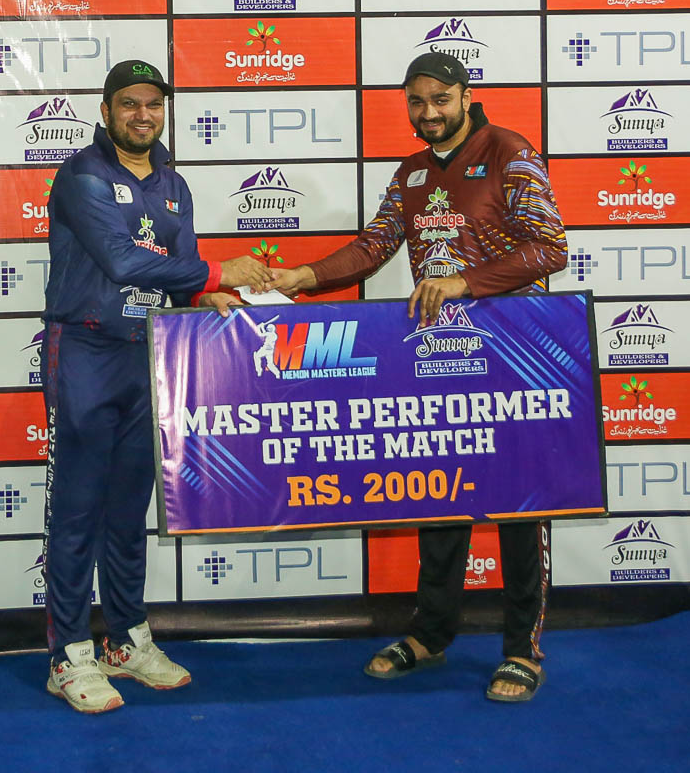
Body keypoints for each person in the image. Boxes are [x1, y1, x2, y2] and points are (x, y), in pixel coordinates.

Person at [268, 52, 567, 704]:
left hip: (515, 354)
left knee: (522, 504)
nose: (428, 112)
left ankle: (522, 649)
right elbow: (374, 247)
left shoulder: (509, 151)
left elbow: (549, 247)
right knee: (442, 493)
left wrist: (463, 282)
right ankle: (431, 634)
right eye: (416, 101)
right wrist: (303, 278)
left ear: (465, 95)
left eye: (440, 99)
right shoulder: (410, 173)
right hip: (439, 356)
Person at [40, 58, 278, 713]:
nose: (142, 115)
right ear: (106, 111)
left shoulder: (173, 183)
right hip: (86, 348)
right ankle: (67, 653)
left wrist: (204, 295)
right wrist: (217, 273)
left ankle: (124, 639)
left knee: (127, 508)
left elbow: (180, 269)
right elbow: (121, 260)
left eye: (153, 104)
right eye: (129, 104)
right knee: (78, 507)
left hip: (149, 351)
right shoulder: (83, 175)